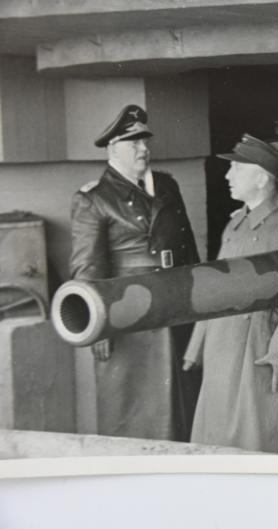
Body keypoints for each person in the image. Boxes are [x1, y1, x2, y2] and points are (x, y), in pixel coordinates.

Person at [69, 104, 201, 441]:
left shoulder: (167, 186)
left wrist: (200, 305)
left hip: (177, 306)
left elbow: (188, 248)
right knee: (136, 409)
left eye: (145, 141)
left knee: (183, 402)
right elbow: (87, 268)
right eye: (134, 143)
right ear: (113, 149)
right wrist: (98, 327)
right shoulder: (95, 199)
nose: (144, 149)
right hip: (129, 316)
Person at [182, 133, 278, 453]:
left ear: (261, 179)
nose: (228, 176)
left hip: (262, 346)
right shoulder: (234, 225)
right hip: (222, 343)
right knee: (217, 434)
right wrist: (197, 346)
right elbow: (213, 289)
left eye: (237, 169)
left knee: (261, 432)